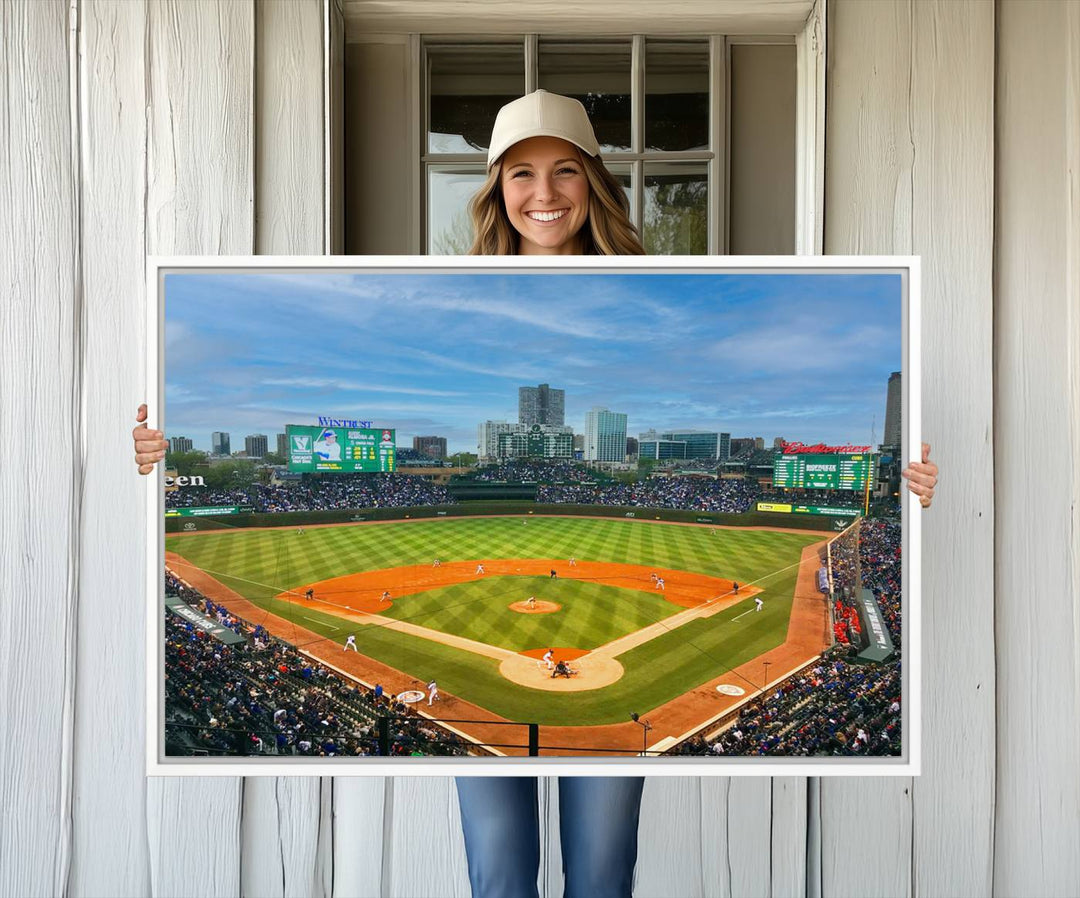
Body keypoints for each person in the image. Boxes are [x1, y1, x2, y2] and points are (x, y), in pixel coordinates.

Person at [130, 88, 940, 898]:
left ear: (593, 181)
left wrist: (902, 479)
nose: (543, 193)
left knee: (600, 872)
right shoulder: (452, 290)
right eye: (521, 174)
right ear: (495, 189)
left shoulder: (654, 288)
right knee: (499, 873)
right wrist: (155, 455)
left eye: (563, 172)